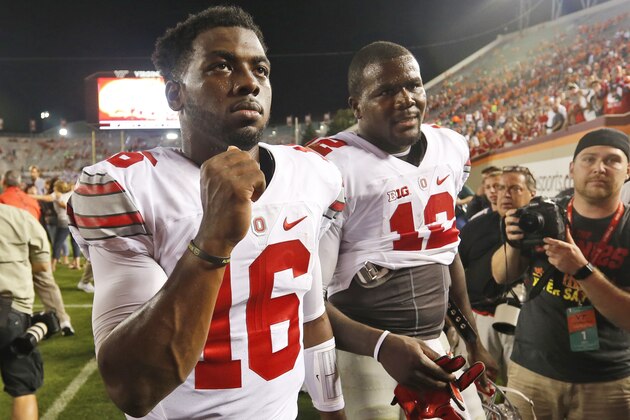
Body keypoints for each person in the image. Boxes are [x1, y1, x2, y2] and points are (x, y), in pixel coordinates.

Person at [68, 6, 345, 419]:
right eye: (222, 66)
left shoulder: (314, 173)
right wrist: (213, 238)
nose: (249, 82)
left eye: (261, 70)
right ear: (175, 93)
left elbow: (311, 315)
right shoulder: (127, 187)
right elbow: (134, 388)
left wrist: (333, 410)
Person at [308, 41, 497, 420]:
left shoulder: (450, 146)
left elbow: (445, 251)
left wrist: (473, 341)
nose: (406, 99)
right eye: (386, 90)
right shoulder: (327, 167)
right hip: (364, 356)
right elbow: (305, 301)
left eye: (413, 85)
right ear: (357, 105)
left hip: (438, 345)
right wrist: (380, 346)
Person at [492, 127, 630, 419]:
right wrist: (513, 243)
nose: (599, 168)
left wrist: (582, 270)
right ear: (572, 169)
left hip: (608, 381)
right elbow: (501, 276)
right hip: (533, 371)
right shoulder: (541, 215)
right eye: (589, 159)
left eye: (612, 160)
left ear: (628, 170)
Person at [456, 166, 536, 384]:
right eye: (500, 188)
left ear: (532, 194)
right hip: (478, 319)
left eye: (514, 188)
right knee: (477, 390)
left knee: (522, 389)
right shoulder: (475, 226)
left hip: (524, 322)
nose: (505, 194)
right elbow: (455, 271)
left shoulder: (541, 227)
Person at [0, 171, 75, 336]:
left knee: (8, 294)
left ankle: (13, 326)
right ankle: (64, 322)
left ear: (4, 182)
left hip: (14, 251)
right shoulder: (29, 200)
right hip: (35, 244)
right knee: (48, 285)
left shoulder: (4, 200)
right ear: (20, 184)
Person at [0, 204, 50, 420]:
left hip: (11, 306)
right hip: (11, 306)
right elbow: (43, 264)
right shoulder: (19, 216)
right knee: (23, 388)